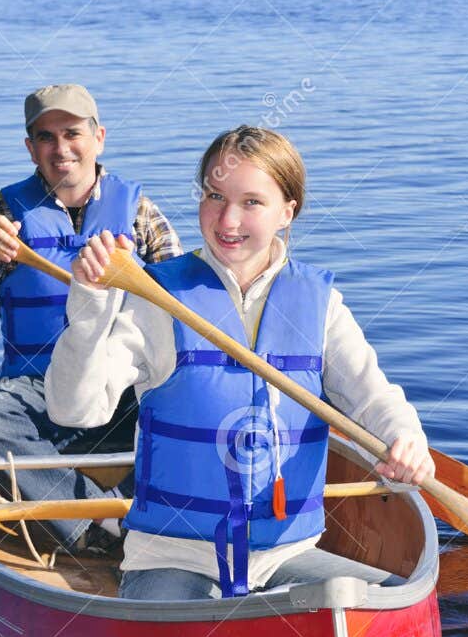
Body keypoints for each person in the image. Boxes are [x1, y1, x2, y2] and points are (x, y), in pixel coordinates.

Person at [45, 125, 434, 599]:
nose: (228, 220)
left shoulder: (321, 305)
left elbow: (372, 397)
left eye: (252, 202)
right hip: (174, 555)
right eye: (215, 196)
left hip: (287, 555)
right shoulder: (159, 298)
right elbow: (75, 411)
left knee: (384, 599)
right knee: (180, 621)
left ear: (287, 212)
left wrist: (405, 437)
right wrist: (91, 306)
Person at [0, 84, 182, 552]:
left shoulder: (141, 216)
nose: (61, 148)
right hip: (38, 394)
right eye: (46, 137)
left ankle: (158, 508)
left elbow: (183, 319)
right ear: (31, 149)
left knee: (186, 399)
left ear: (98, 138)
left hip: (121, 386)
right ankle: (102, 526)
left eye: (72, 133)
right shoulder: (5, 223)